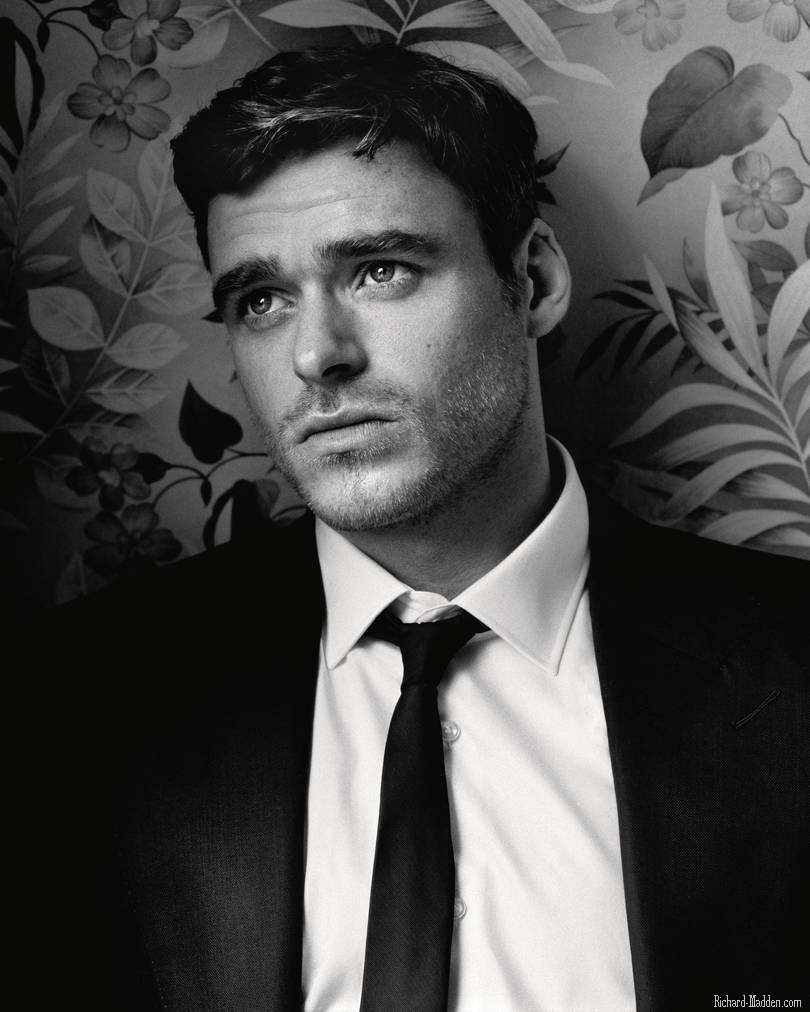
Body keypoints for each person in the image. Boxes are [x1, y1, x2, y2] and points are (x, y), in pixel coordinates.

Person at [25, 43, 807, 1012]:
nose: (316, 355)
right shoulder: (74, 704)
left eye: (380, 270)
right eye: (261, 299)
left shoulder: (791, 666)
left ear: (534, 280)